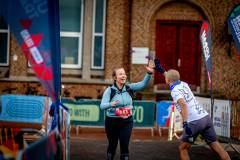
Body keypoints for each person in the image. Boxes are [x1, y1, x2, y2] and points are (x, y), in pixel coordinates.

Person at [154, 59, 231, 160]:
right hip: (205, 117)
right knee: (215, 144)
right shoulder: (183, 83)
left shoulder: (175, 91)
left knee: (183, 148)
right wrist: (162, 70)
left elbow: (183, 104)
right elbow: (172, 77)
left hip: (194, 121)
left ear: (167, 80)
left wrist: (185, 123)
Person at [100, 61, 154, 160]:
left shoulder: (129, 88)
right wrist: (110, 104)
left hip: (126, 121)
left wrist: (149, 73)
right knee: (112, 145)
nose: (123, 76)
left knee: (124, 145)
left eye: (124, 74)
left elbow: (142, 84)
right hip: (112, 121)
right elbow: (102, 106)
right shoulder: (109, 91)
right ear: (115, 78)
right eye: (120, 74)